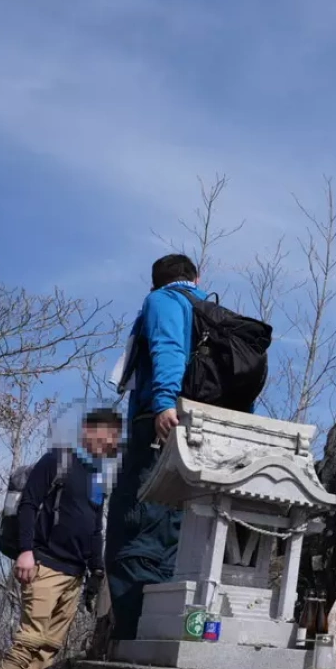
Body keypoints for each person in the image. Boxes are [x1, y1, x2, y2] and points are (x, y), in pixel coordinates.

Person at [104, 253, 210, 645]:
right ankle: (164, 634)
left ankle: (133, 640)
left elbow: (168, 347)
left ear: (154, 283)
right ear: (198, 277)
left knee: (134, 529)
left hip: (159, 427)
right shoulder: (208, 312)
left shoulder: (164, 301)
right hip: (201, 438)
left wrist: (165, 401)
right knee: (175, 535)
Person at [0, 408, 121, 669]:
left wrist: (96, 571)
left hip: (75, 574)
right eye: (108, 434)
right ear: (89, 431)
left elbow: (95, 529)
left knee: (50, 645)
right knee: (31, 637)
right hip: (44, 564)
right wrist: (25, 551)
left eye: (116, 438)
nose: (112, 442)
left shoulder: (99, 478)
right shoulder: (58, 461)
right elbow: (29, 505)